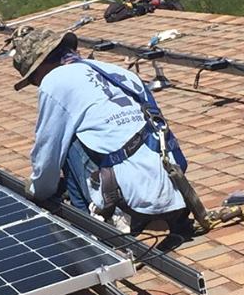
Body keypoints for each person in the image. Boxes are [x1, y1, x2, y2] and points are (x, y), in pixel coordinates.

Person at [10, 25, 192, 229]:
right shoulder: (116, 71)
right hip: (175, 190)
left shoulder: (55, 80)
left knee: (66, 140)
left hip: (133, 202)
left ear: (41, 65)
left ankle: (87, 226)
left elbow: (48, 152)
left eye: (34, 79)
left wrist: (37, 191)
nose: (37, 84)